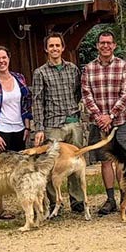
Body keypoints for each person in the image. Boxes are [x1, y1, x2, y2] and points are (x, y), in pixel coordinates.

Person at [81, 29, 126, 215]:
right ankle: (110, 199)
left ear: (114, 45)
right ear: (97, 46)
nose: (105, 46)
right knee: (105, 161)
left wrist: (110, 116)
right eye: (102, 42)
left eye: (109, 43)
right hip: (99, 123)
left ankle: (124, 198)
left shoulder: (123, 66)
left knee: (122, 162)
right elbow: (86, 95)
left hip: (120, 121)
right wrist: (99, 117)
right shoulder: (88, 68)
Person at [32, 32, 85, 215]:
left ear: (63, 48)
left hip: (73, 122)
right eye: (51, 46)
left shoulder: (73, 69)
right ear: (46, 49)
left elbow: (78, 93)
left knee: (75, 163)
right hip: (53, 125)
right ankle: (56, 203)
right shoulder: (40, 73)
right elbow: (37, 101)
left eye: (58, 46)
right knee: (52, 165)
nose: (55, 49)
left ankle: (77, 200)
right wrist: (38, 128)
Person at [0, 46, 32, 153]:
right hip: (2, 130)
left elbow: (26, 105)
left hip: (20, 129)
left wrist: (27, 127)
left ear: (8, 59)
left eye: (4, 57)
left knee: (20, 166)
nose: (1, 61)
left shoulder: (19, 78)